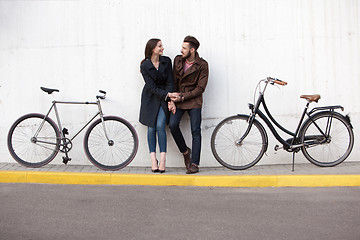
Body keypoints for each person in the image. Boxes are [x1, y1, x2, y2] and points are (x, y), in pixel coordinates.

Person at [168, 36, 209, 174]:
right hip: (178, 98)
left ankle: (194, 163)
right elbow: (173, 81)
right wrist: (172, 100)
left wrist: (182, 96)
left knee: (195, 131)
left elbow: (200, 88)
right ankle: (185, 151)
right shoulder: (178, 60)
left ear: (192, 50)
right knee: (173, 125)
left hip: (194, 101)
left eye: (184, 48)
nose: (181, 50)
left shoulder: (202, 65)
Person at [139, 38, 174, 173]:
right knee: (151, 128)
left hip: (165, 98)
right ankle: (153, 159)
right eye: (160, 46)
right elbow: (151, 87)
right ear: (153, 48)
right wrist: (168, 95)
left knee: (160, 125)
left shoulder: (166, 61)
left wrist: (170, 99)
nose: (162, 48)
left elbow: (170, 82)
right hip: (150, 98)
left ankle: (163, 158)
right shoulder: (145, 65)